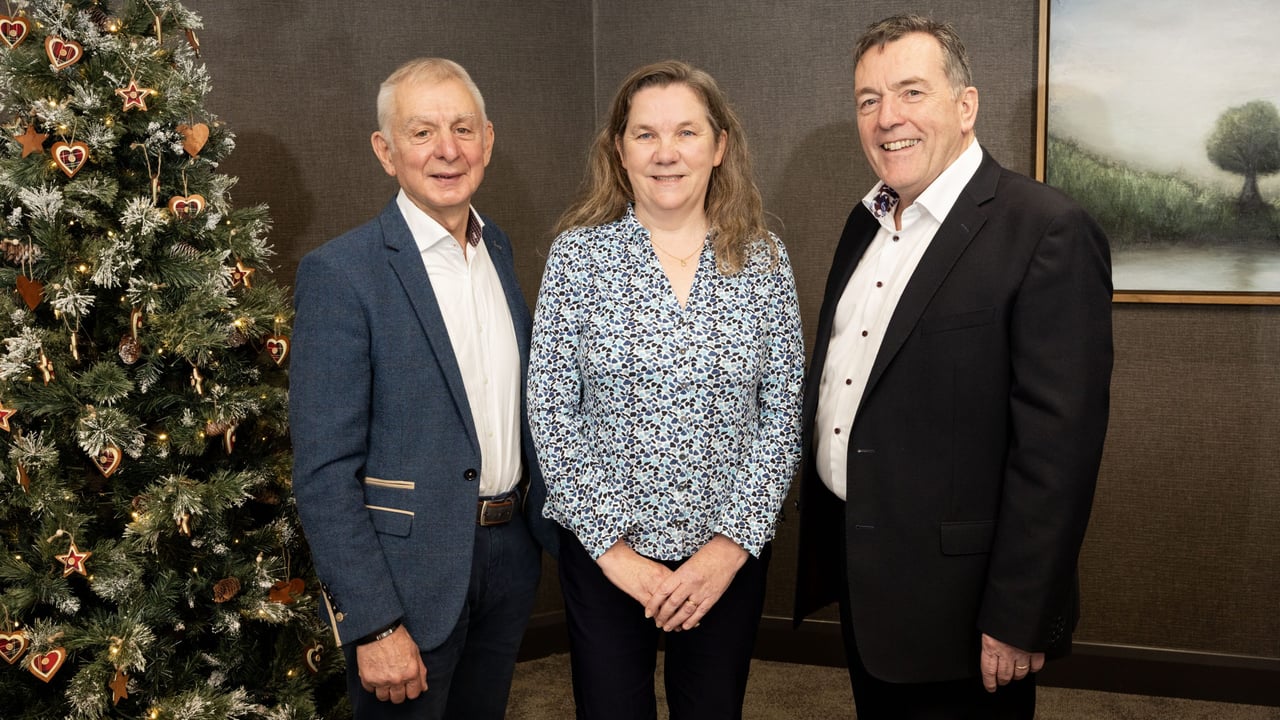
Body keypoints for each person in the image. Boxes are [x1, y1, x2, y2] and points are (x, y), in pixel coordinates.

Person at [793, 14, 1113, 720]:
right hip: (867, 574)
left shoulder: (1044, 229)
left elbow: (1059, 450)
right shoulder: (864, 221)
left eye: (911, 92)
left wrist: (1020, 614)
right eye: (868, 99)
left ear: (965, 107)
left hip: (966, 608)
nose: (886, 119)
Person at [528, 60, 804, 719]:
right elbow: (550, 410)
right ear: (619, 151)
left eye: (686, 132)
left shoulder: (763, 259)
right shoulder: (578, 258)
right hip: (606, 558)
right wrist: (614, 555)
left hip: (723, 558)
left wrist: (730, 546)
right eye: (645, 134)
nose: (666, 152)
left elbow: (784, 411)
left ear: (719, 146)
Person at [289, 57, 557, 720]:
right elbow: (324, 473)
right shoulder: (341, 275)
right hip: (403, 584)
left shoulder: (499, 252)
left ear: (488, 141)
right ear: (386, 151)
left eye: (463, 129)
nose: (448, 150)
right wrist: (373, 623)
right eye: (422, 132)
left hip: (507, 555)